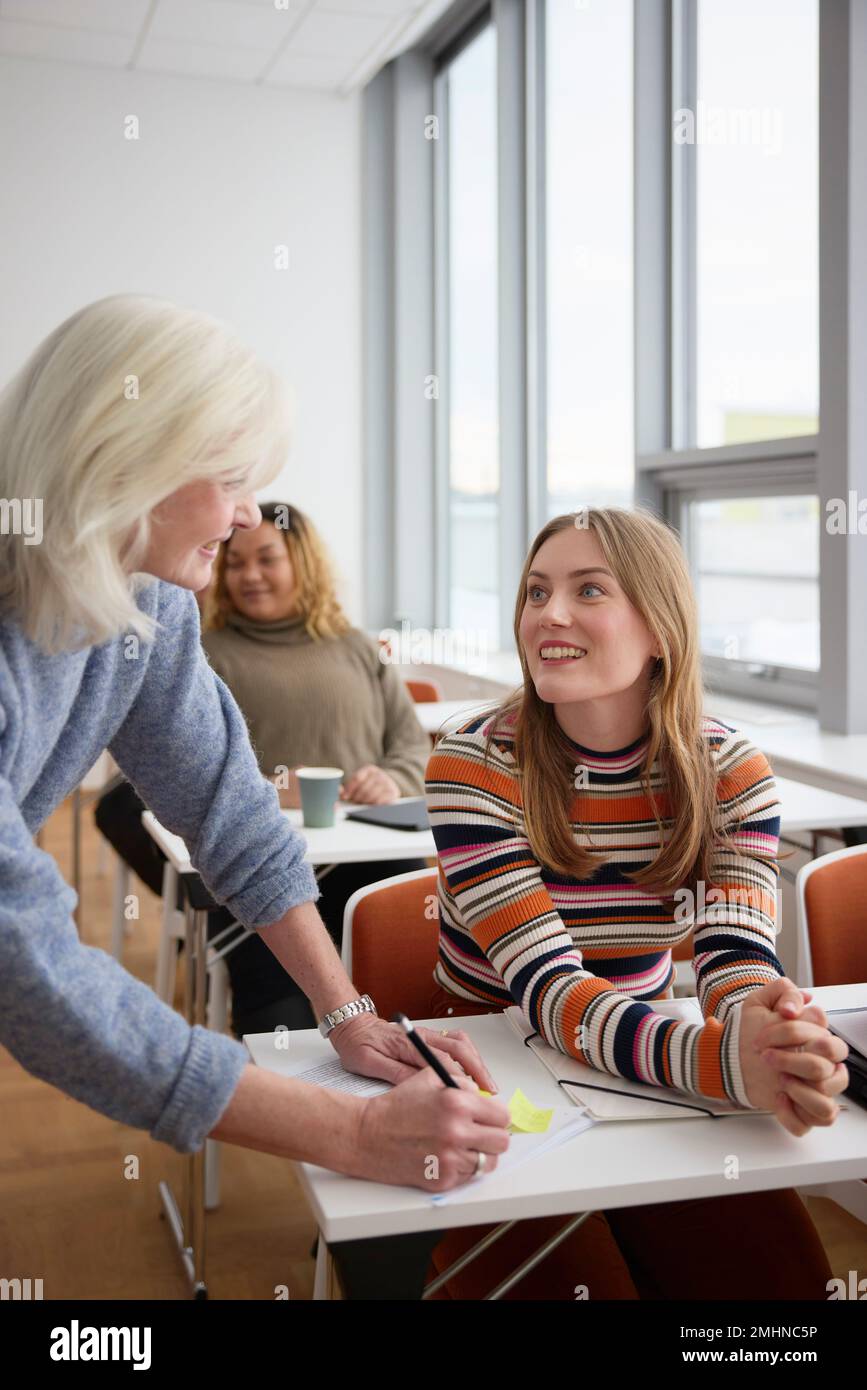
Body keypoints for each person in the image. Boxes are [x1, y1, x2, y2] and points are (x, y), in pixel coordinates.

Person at [0, 293, 511, 1209]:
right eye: (232, 477)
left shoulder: (145, 606)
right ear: (128, 462)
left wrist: (345, 1010)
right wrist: (350, 1130)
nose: (245, 517)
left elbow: (233, 817)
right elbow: (22, 959)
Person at [422, 507, 850, 1299]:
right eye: (535, 590)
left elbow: (733, 954)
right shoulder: (473, 763)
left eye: (589, 590)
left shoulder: (730, 766)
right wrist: (724, 1063)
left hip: (638, 1056)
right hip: (495, 1070)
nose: (548, 613)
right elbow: (547, 990)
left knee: (780, 1285)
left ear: (660, 628)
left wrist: (769, 1032)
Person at [96, 500, 431, 1034]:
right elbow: (179, 784)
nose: (249, 575)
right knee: (282, 1008)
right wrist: (269, 790)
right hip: (266, 863)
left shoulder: (357, 648)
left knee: (413, 968)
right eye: (235, 563)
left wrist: (391, 778)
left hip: (368, 855)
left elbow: (413, 746)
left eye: (267, 559)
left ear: (303, 562)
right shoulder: (204, 651)